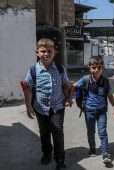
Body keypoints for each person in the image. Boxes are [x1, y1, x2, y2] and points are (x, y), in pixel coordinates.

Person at [22, 38, 72, 170]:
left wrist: (68, 98)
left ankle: (60, 158)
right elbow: (27, 87)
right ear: (37, 53)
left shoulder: (60, 69)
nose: (46, 54)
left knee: (58, 132)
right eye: (43, 51)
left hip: (58, 107)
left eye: (49, 51)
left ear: (54, 52)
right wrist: (28, 106)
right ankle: (47, 153)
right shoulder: (33, 70)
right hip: (40, 108)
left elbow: (66, 84)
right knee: (44, 133)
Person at [72, 56, 114, 165]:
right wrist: (70, 98)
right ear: (89, 68)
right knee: (91, 132)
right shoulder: (85, 79)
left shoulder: (106, 81)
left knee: (102, 132)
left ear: (103, 68)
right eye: (93, 67)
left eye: (99, 67)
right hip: (89, 111)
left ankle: (105, 153)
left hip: (102, 111)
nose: (96, 70)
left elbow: (110, 95)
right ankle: (92, 148)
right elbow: (74, 86)